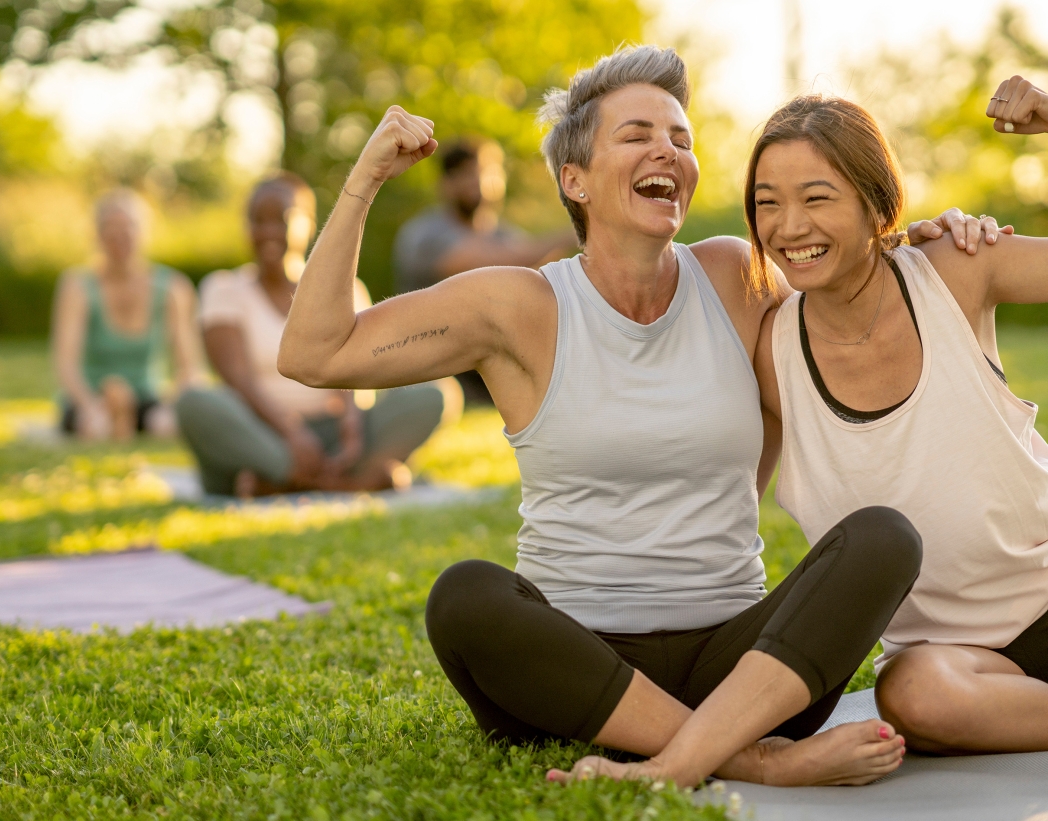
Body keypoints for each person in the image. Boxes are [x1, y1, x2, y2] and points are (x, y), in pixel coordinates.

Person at [277, 45, 992, 788]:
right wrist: (364, 179)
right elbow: (315, 353)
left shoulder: (734, 276)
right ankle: (754, 757)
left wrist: (922, 247)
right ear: (574, 178)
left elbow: (847, 279)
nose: (668, 151)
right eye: (638, 135)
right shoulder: (519, 306)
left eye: (681, 139)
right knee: (465, 594)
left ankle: (687, 752)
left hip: (739, 669)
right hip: (574, 670)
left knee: (884, 539)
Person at [750, 81, 1048, 758]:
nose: (789, 227)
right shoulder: (767, 353)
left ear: (875, 202)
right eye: (768, 203)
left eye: (816, 197)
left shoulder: (956, 269)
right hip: (956, 660)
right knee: (914, 698)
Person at [178, 173, 452, 497]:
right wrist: (291, 432)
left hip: (331, 434)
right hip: (260, 434)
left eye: (279, 219)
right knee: (193, 403)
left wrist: (351, 424)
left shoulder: (344, 288)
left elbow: (356, 370)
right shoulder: (224, 288)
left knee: (436, 394)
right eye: (257, 220)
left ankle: (284, 484)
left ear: (308, 224)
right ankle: (340, 482)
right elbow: (238, 378)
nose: (267, 231)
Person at [392, 137, 574, 403]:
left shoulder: (508, 236)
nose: (475, 181)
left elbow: (543, 282)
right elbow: (498, 259)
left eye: (485, 172)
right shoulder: (423, 234)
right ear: (445, 184)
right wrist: (580, 230)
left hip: (493, 362)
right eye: (464, 174)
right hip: (433, 365)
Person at [51, 189, 205, 441]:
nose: (118, 236)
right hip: (90, 396)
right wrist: (89, 405)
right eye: (110, 228)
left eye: (128, 227)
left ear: (144, 232)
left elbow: (189, 366)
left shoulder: (171, 288)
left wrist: (172, 405)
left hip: (147, 398)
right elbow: (66, 364)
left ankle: (126, 413)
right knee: (96, 428)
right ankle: (114, 411)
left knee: (166, 426)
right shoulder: (77, 286)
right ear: (97, 235)